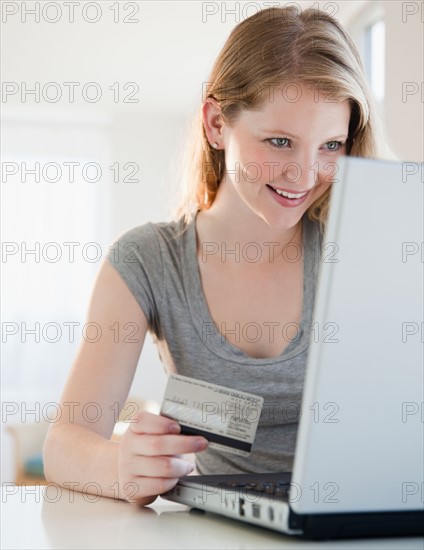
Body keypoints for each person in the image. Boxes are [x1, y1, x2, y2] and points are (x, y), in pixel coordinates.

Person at [43, 6, 396, 506]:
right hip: (220, 529)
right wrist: (120, 465)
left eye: (331, 145)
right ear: (215, 124)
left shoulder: (364, 250)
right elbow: (64, 445)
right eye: (279, 141)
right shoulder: (147, 260)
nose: (305, 174)